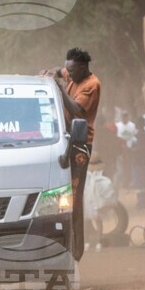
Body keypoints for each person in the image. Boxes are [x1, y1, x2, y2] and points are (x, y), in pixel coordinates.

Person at [43, 48, 101, 258]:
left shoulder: (92, 85)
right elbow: (59, 71)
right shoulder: (71, 72)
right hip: (63, 139)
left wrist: (60, 88)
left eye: (72, 71)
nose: (68, 74)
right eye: (67, 70)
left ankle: (76, 249)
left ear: (83, 68)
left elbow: (76, 109)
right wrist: (50, 73)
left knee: (74, 195)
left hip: (79, 143)